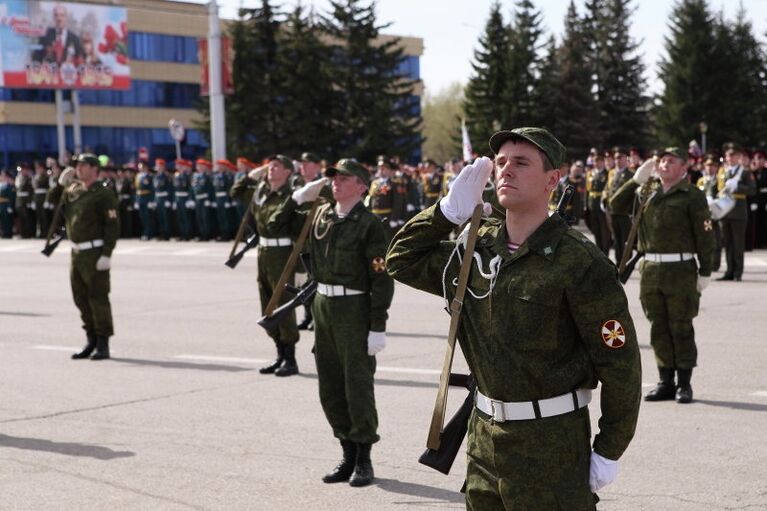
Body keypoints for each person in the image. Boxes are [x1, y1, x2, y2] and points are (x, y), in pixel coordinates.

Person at [387, 127, 641, 509]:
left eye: (521, 163)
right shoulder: (475, 247)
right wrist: (444, 214)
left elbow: (620, 366)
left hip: (551, 446)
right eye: (501, 163)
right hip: (483, 442)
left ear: (552, 180)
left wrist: (609, 448)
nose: (506, 171)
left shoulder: (579, 262)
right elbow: (400, 260)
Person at [268, 158, 394, 487]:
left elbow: (381, 279)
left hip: (354, 306)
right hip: (323, 304)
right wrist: (297, 198)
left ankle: (364, 459)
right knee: (331, 385)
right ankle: (347, 453)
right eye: (333, 177)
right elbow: (275, 225)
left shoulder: (369, 224)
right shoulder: (321, 214)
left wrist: (377, 325)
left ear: (362, 186)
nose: (335, 182)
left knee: (357, 385)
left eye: (345, 178)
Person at [610, 148, 715, 403]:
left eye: (671, 161)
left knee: (680, 327)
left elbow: (706, 237)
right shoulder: (648, 191)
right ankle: (665, 381)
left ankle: (684, 384)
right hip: (651, 270)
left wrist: (705, 271)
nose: (664, 163)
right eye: (662, 160)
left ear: (683, 169)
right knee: (658, 327)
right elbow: (615, 206)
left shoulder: (692, 195)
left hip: (681, 269)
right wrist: (635, 180)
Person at [234, 155, 302, 377]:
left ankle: (290, 359)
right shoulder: (261, 192)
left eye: (278, 166)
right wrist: (255, 172)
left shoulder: (290, 196)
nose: (272, 169)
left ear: (288, 173)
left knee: (282, 304)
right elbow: (236, 191)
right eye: (270, 166)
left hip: (282, 253)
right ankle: (279, 355)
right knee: (267, 305)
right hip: (263, 253)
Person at [60, 154, 120, 360]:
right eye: (77, 165)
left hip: (94, 253)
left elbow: (112, 226)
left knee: (98, 299)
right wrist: (60, 184)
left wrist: (107, 254)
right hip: (76, 253)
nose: (79, 168)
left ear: (95, 169)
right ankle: (91, 339)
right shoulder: (75, 191)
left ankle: (103, 343)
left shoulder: (102, 194)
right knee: (80, 299)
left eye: (83, 165)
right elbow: (53, 204)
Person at [716, 143, 756, 281]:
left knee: (738, 244)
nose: (730, 158)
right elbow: (717, 188)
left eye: (733, 156)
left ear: (738, 157)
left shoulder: (744, 172)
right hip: (725, 212)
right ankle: (729, 271)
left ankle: (738, 272)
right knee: (727, 244)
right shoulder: (723, 172)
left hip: (738, 212)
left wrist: (737, 186)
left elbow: (752, 190)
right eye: (728, 156)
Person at [603, 148, 635, 265]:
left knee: (625, 240)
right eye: (616, 158)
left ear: (626, 159)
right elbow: (608, 188)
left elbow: (633, 192)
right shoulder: (612, 173)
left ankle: (625, 262)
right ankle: (618, 262)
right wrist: (604, 199)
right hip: (612, 212)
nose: (617, 160)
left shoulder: (631, 174)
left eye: (620, 158)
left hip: (624, 212)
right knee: (616, 239)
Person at [586, 153, 612, 255]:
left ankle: (605, 253)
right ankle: (598, 252)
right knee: (596, 230)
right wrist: (586, 205)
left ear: (602, 162)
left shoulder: (608, 174)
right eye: (594, 161)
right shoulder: (590, 173)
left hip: (602, 206)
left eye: (598, 161)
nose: (596, 163)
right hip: (592, 205)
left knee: (604, 232)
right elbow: (587, 191)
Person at [153, 158, 174, 240]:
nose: (157, 167)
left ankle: (167, 233)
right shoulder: (156, 177)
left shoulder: (166, 177)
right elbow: (155, 190)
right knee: (160, 217)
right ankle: (161, 232)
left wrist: (168, 200)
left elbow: (170, 189)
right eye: (157, 165)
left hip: (164, 198)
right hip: (158, 198)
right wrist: (155, 200)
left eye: (159, 165)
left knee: (166, 217)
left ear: (162, 166)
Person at [134, 160, 154, 240]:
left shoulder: (149, 176)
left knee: (147, 217)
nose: (140, 169)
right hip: (140, 198)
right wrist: (136, 200)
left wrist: (151, 200)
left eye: (141, 167)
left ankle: (148, 233)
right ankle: (144, 233)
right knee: (142, 217)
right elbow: (137, 189)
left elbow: (152, 189)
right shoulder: (138, 176)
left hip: (147, 197)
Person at [33, 161, 50, 238]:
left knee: (44, 217)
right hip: (37, 199)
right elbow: (34, 190)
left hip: (43, 198)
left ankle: (46, 233)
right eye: (37, 168)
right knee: (39, 217)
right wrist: (33, 200)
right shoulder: (35, 177)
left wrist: (47, 200)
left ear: (43, 169)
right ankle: (40, 232)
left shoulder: (46, 177)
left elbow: (48, 190)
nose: (38, 170)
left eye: (39, 168)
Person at [0, 170, 14, 238]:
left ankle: (9, 233)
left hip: (6, 204)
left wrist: (10, 206)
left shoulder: (9, 185)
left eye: (4, 176)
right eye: (2, 176)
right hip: (1, 205)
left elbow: (11, 196)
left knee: (8, 220)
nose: (2, 177)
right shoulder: (1, 185)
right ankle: (4, 233)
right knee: (2, 220)